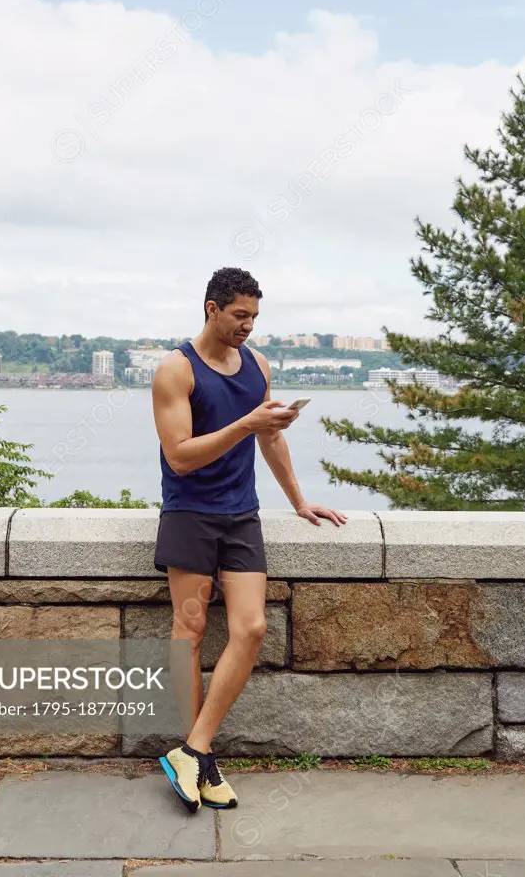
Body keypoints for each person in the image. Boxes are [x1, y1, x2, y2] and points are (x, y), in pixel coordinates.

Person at [151, 266, 347, 812]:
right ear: (212, 307)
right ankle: (199, 762)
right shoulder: (175, 369)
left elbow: (272, 441)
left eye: (255, 317)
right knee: (188, 630)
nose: (248, 326)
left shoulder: (258, 365)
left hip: (242, 515)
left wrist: (299, 501)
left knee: (252, 627)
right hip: (190, 512)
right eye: (240, 315)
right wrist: (246, 424)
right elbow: (180, 457)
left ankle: (193, 750)